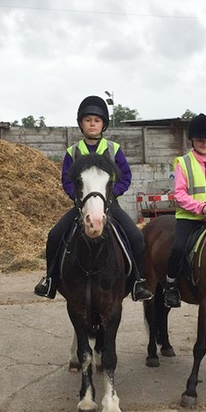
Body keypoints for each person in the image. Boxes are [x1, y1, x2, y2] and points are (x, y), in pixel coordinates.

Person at [34, 95, 152, 301]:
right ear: (81, 123)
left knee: (135, 236)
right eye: (88, 120)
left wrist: (113, 194)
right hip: (82, 206)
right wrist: (78, 199)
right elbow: (67, 180)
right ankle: (50, 280)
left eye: (96, 121)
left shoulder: (114, 150)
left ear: (103, 124)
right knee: (54, 236)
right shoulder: (73, 151)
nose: (92, 124)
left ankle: (137, 282)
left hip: (109, 204)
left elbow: (125, 177)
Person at [162, 113, 206, 308]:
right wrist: (201, 207)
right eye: (200, 140)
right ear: (192, 140)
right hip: (190, 218)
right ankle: (171, 286)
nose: (205, 143)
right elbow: (179, 194)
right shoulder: (183, 163)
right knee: (178, 248)